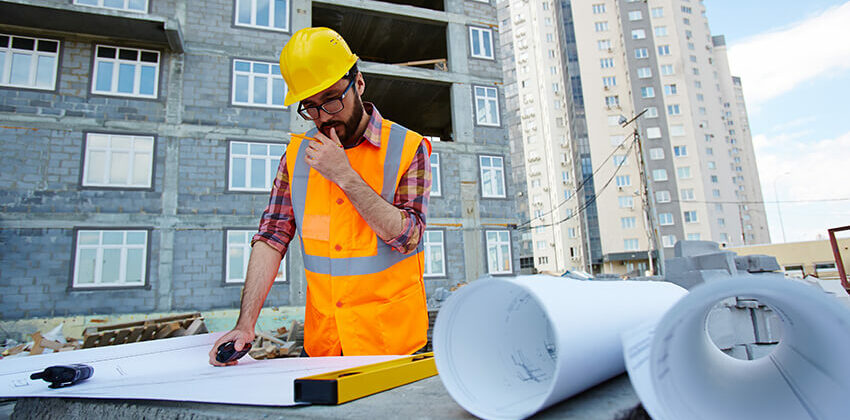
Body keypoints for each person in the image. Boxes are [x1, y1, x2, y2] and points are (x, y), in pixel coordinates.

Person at [209, 27, 432, 364]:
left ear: (358, 83)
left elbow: (408, 236)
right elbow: (272, 237)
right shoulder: (297, 155)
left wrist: (344, 175)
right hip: (324, 344)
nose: (323, 116)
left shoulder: (407, 147)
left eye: (331, 99)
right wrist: (245, 325)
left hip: (392, 345)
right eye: (310, 107)